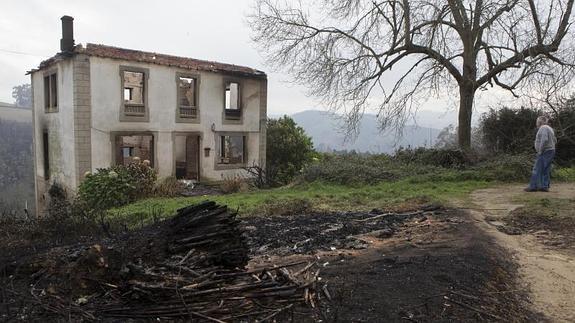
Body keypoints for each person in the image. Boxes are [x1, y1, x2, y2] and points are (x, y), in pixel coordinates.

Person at [525, 116, 557, 192]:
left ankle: (533, 186)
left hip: (545, 151)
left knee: (536, 168)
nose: (536, 123)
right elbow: (555, 140)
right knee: (546, 169)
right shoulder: (550, 128)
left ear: (540, 122)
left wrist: (540, 150)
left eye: (537, 121)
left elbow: (544, 139)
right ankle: (544, 186)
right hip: (551, 150)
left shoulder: (543, 128)